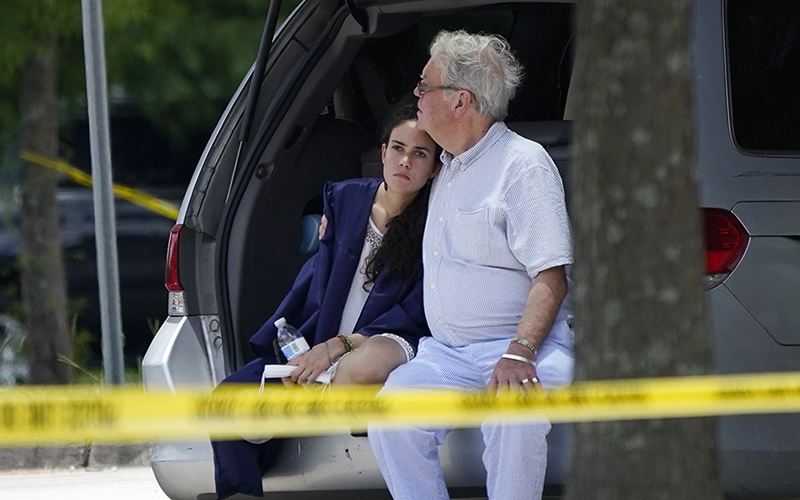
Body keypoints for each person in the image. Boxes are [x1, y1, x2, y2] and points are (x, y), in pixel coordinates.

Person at [367, 31, 574, 500]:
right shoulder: (447, 163)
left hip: (526, 350)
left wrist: (519, 352)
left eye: (424, 86)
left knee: (513, 416)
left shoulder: (523, 165)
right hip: (449, 355)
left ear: (460, 101)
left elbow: (552, 278)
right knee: (390, 415)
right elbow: (388, 189)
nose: (415, 95)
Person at [212, 104, 442, 499]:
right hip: (320, 341)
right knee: (229, 398)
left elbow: (414, 310)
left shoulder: (437, 223)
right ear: (383, 151)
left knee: (351, 370)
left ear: (435, 168)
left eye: (420, 154)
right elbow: (317, 283)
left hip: (382, 344)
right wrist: (311, 345)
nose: (405, 161)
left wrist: (338, 347)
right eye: (398, 148)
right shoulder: (346, 200)